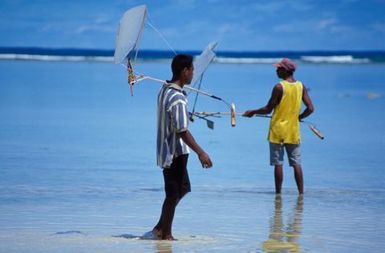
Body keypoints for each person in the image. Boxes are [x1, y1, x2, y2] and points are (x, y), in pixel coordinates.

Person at [152, 54, 213, 240]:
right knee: (172, 194)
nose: (193, 74)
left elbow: (175, 118)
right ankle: (166, 235)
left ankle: (159, 228)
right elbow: (182, 131)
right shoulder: (177, 97)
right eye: (192, 70)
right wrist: (201, 152)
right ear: (184, 71)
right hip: (174, 152)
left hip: (170, 149)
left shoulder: (164, 89)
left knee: (183, 188)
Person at [243, 58, 314, 194]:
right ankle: (301, 194)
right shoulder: (301, 86)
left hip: (277, 131)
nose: (276, 71)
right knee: (296, 163)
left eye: (278, 69)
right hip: (293, 131)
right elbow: (310, 108)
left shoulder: (279, 87)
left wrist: (253, 112)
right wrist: (298, 118)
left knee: (278, 164)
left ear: (285, 70)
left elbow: (268, 109)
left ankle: (278, 194)